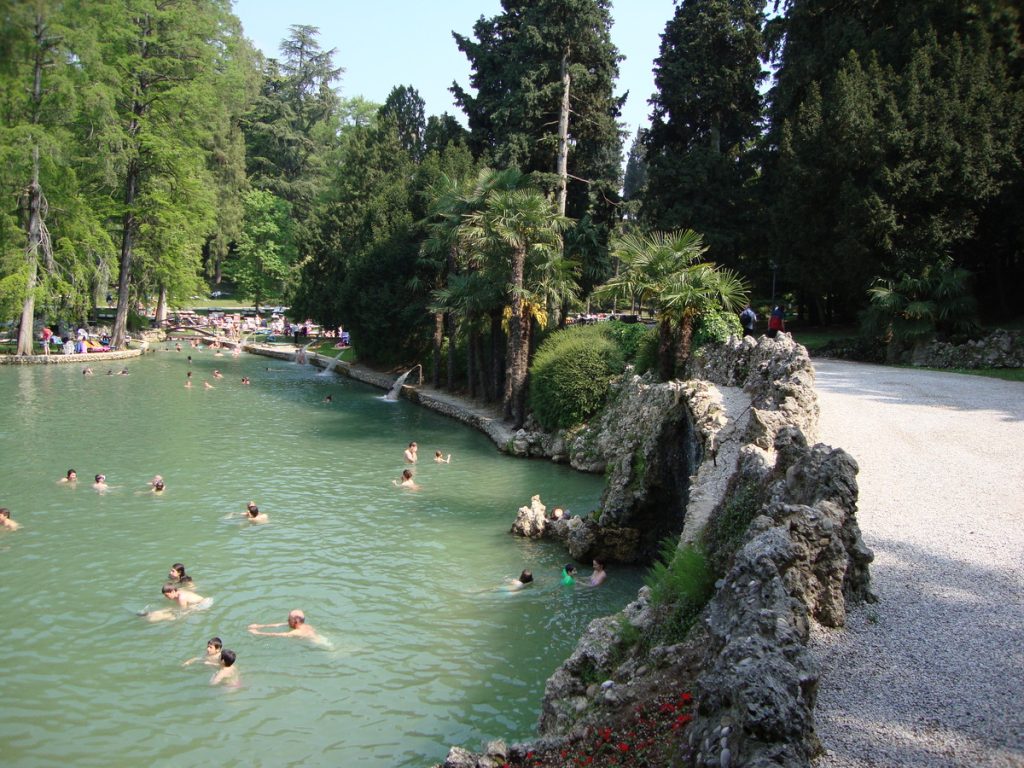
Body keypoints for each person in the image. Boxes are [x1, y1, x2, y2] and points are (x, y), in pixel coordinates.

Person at [248, 609, 321, 642]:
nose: (287, 621)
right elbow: (279, 625)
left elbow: (278, 634)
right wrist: (260, 626)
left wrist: (258, 633)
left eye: (289, 620)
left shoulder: (297, 632)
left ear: (295, 622)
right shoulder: (306, 626)